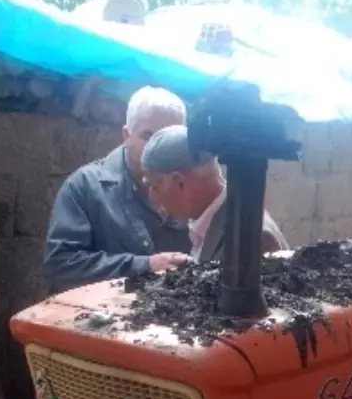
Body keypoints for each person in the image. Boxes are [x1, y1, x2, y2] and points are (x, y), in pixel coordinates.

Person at [42, 86, 194, 291]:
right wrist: (145, 265)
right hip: (100, 317)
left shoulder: (194, 185)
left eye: (168, 139)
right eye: (147, 136)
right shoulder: (85, 186)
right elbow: (61, 264)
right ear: (126, 135)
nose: (157, 149)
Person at [141, 125, 289, 262]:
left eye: (155, 187)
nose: (153, 197)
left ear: (180, 183)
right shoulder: (220, 220)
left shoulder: (249, 238)